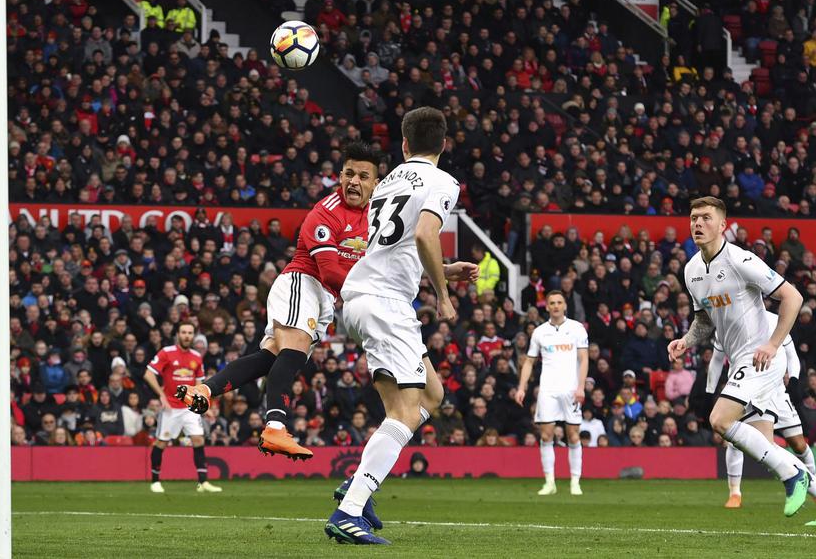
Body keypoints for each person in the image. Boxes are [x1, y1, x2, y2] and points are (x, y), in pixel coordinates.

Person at [325, 107, 478, 545]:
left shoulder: (388, 180)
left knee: (433, 394)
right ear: (443, 144)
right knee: (404, 412)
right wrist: (444, 297)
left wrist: (446, 271)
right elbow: (426, 236)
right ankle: (350, 509)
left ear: (405, 144)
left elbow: (396, 250)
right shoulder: (442, 181)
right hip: (387, 305)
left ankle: (356, 484)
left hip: (362, 298)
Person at [177, 141, 380, 460]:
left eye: (363, 176)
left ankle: (205, 389)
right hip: (303, 283)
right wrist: (373, 295)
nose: (354, 181)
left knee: (269, 358)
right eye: (349, 174)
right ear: (339, 176)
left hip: (321, 299)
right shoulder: (325, 213)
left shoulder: (377, 215)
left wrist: (442, 269)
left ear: (376, 183)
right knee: (293, 354)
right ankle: (274, 427)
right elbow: (328, 272)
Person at [669, 196, 816, 526]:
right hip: (742, 361)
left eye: (706, 218)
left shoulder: (740, 260)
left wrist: (773, 343)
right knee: (763, 444)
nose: (697, 223)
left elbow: (793, 297)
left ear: (723, 225)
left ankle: (794, 477)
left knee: (720, 420)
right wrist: (686, 340)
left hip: (762, 358)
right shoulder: (692, 270)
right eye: (694, 217)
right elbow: (704, 321)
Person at [707, 314, 815, 509]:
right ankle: (735, 493)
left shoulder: (776, 320)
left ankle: (815, 486)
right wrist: (710, 392)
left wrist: (795, 381)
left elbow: (792, 356)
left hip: (775, 391)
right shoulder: (726, 323)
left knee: (798, 444)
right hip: (744, 388)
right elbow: (716, 360)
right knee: (734, 440)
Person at [513, 289, 589, 496]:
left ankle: (575, 482)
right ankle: (549, 482)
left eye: (559, 302)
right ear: (546, 307)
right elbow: (529, 361)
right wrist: (522, 387)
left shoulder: (576, 329)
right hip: (548, 390)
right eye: (552, 303)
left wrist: (581, 387)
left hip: (571, 389)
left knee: (573, 436)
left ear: (565, 305)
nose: (555, 306)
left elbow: (584, 359)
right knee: (546, 435)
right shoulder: (539, 332)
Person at [144, 320, 221, 493]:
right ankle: (155, 481)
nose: (187, 335)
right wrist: (161, 394)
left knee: (198, 439)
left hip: (189, 407)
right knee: (162, 442)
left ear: (194, 335)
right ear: (178, 334)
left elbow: (199, 383)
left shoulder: (196, 357)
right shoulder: (166, 352)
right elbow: (148, 374)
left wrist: (204, 406)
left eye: (190, 333)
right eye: (184, 332)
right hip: (171, 407)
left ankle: (203, 483)